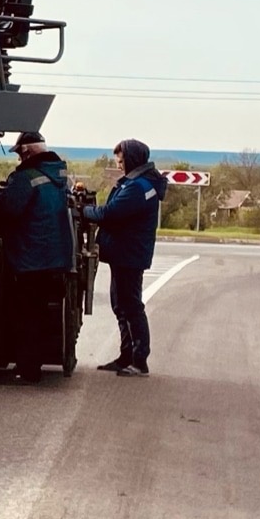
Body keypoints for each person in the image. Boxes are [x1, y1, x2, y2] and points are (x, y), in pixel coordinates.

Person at [0, 127, 75, 382]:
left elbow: (9, 209)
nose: (18, 160)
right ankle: (30, 366)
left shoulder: (26, 177)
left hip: (30, 258)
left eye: (19, 155)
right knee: (37, 313)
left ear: (27, 152)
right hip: (54, 257)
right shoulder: (60, 176)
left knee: (25, 315)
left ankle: (27, 370)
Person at [83, 137, 170, 375]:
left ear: (131, 159)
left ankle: (139, 360)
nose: (119, 165)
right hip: (127, 252)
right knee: (121, 305)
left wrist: (84, 211)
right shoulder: (143, 184)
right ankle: (126, 356)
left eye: (121, 161)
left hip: (129, 253)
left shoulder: (138, 187)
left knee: (130, 306)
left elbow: (111, 213)